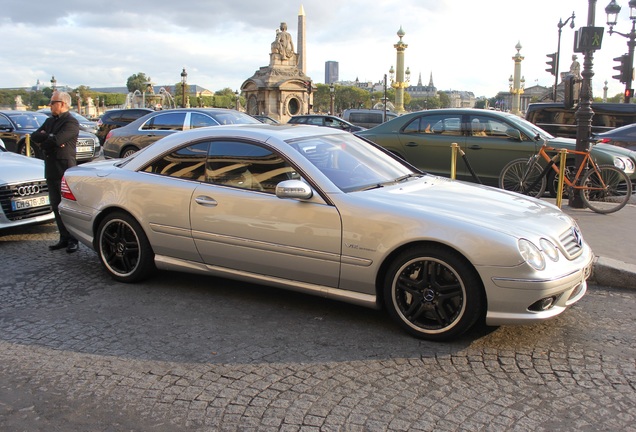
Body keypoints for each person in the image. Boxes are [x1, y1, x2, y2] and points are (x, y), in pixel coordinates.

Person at [31, 91, 80, 253]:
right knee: (55, 205)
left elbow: (57, 140)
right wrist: (49, 138)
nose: (50, 105)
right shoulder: (49, 121)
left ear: (63, 103)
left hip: (64, 169)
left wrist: (49, 139)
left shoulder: (71, 122)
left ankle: (74, 239)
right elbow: (34, 137)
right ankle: (63, 237)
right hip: (50, 168)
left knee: (67, 206)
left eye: (53, 102)